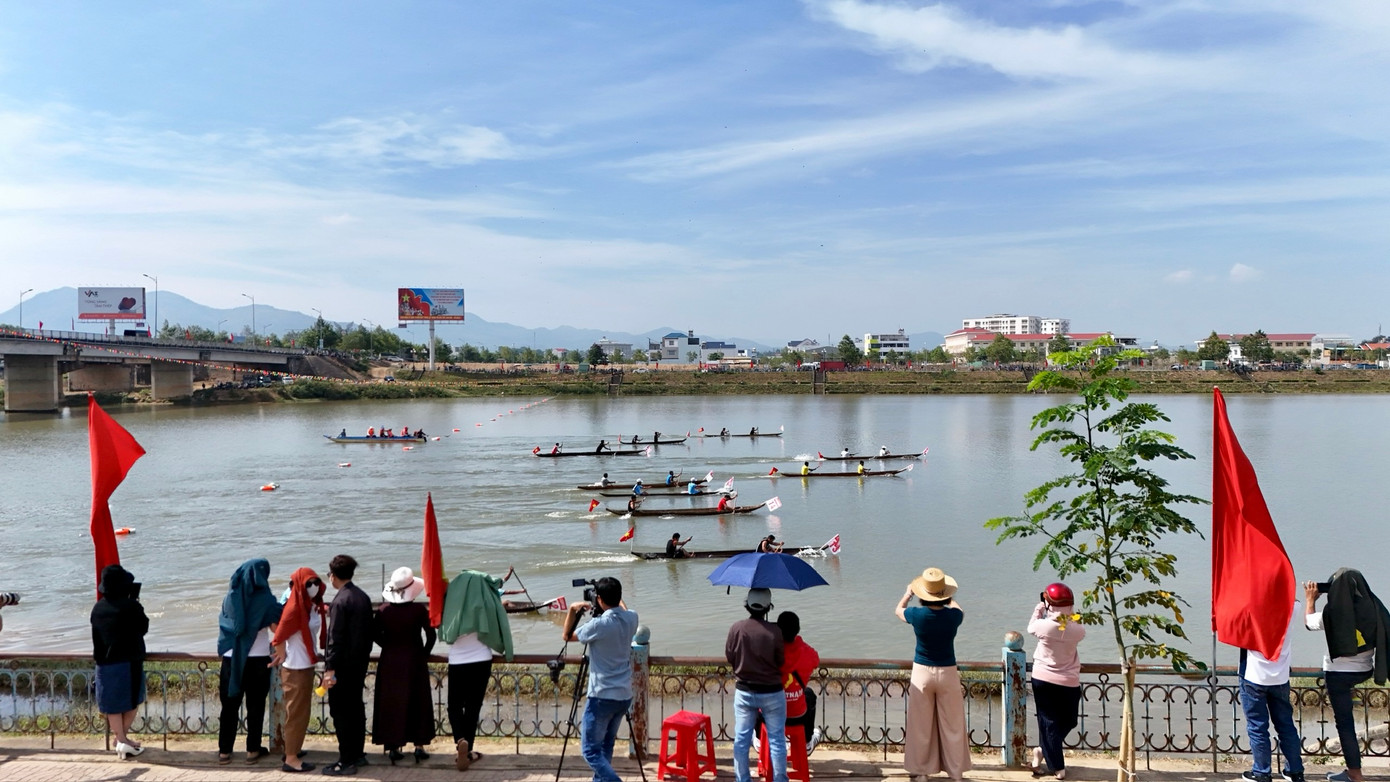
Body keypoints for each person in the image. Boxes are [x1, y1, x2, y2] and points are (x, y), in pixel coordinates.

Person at [1304, 570, 1390, 782]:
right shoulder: (1374, 609)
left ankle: (1354, 773)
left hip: (1338, 676)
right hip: (1364, 671)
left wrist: (1310, 600)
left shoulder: (1332, 612)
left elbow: (1309, 623)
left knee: (1345, 725)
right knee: (1348, 718)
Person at [562, 577, 640, 782]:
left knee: (590, 751)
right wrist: (609, 597)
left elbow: (567, 636)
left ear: (599, 599)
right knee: (606, 746)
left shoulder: (598, 625)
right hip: (624, 695)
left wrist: (572, 609)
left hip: (601, 696)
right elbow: (623, 608)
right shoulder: (632, 618)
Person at [895, 567, 970, 781]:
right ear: (944, 594)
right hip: (948, 672)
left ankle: (921, 772)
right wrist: (948, 596)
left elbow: (898, 610)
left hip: (922, 672)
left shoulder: (917, 615)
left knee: (920, 724)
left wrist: (908, 593)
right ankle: (955, 773)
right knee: (953, 724)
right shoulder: (953, 616)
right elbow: (959, 609)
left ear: (923, 594)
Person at [440, 569, 514, 771]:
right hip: (482, 660)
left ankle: (460, 741)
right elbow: (500, 622)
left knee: (454, 706)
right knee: (473, 707)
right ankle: (468, 750)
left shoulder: (452, 602)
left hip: (457, 661)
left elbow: (440, 623)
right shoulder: (486, 601)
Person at [215, 559, 282, 766]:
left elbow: (226, 625)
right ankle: (253, 750)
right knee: (255, 706)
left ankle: (224, 751)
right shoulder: (266, 599)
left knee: (229, 706)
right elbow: (276, 628)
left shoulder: (230, 597)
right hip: (258, 660)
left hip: (231, 659)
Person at [372, 568, 436, 765]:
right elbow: (431, 635)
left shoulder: (383, 610)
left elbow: (374, 634)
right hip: (414, 659)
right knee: (418, 701)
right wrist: (424, 653)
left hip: (389, 660)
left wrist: (388, 646)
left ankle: (392, 747)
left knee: (392, 701)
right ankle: (419, 746)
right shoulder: (419, 611)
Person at [1238, 599, 1303, 782]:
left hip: (1253, 675)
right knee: (1286, 725)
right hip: (1280, 676)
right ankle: (1295, 771)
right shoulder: (1294, 606)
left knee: (1257, 726)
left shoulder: (1251, 605)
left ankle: (1262, 772)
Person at [727, 588, 787, 782]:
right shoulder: (775, 632)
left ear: (748, 605)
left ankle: (742, 779)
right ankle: (780, 779)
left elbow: (730, 656)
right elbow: (780, 661)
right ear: (768, 607)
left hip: (744, 691)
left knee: (741, 740)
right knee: (777, 740)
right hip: (772, 693)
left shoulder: (736, 628)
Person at [1027, 583, 1086, 780]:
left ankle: (1041, 751)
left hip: (1043, 677)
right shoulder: (1077, 629)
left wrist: (1040, 608)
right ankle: (1058, 767)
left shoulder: (1044, 626)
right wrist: (1070, 615)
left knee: (1052, 722)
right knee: (1064, 721)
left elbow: (1031, 627)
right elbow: (1078, 626)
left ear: (1049, 603)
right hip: (1068, 680)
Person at [322, 554, 374, 776]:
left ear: (333, 576)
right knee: (355, 709)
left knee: (340, 712)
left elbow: (335, 639)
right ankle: (358, 753)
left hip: (342, 667)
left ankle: (345, 760)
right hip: (359, 663)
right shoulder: (362, 597)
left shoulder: (339, 602)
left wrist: (329, 669)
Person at [271, 567, 327, 774]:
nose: (313, 587)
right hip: (296, 668)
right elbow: (278, 637)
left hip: (306, 664)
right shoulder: (294, 608)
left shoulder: (309, 606)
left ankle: (293, 749)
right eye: (308, 584)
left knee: (301, 712)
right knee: (296, 714)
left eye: (316, 582)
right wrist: (282, 654)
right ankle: (291, 759)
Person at [91, 564, 149, 760]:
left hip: (104, 664)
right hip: (128, 662)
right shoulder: (131, 607)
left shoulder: (98, 608)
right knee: (133, 701)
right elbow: (143, 627)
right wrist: (135, 602)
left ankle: (121, 739)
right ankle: (122, 740)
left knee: (112, 705)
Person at [756, 611, 823, 756]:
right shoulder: (805, 652)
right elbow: (815, 660)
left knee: (755, 692)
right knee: (808, 694)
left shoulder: (769, 652)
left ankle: (760, 739)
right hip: (797, 717)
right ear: (797, 630)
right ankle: (806, 740)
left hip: (770, 717)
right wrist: (798, 642)